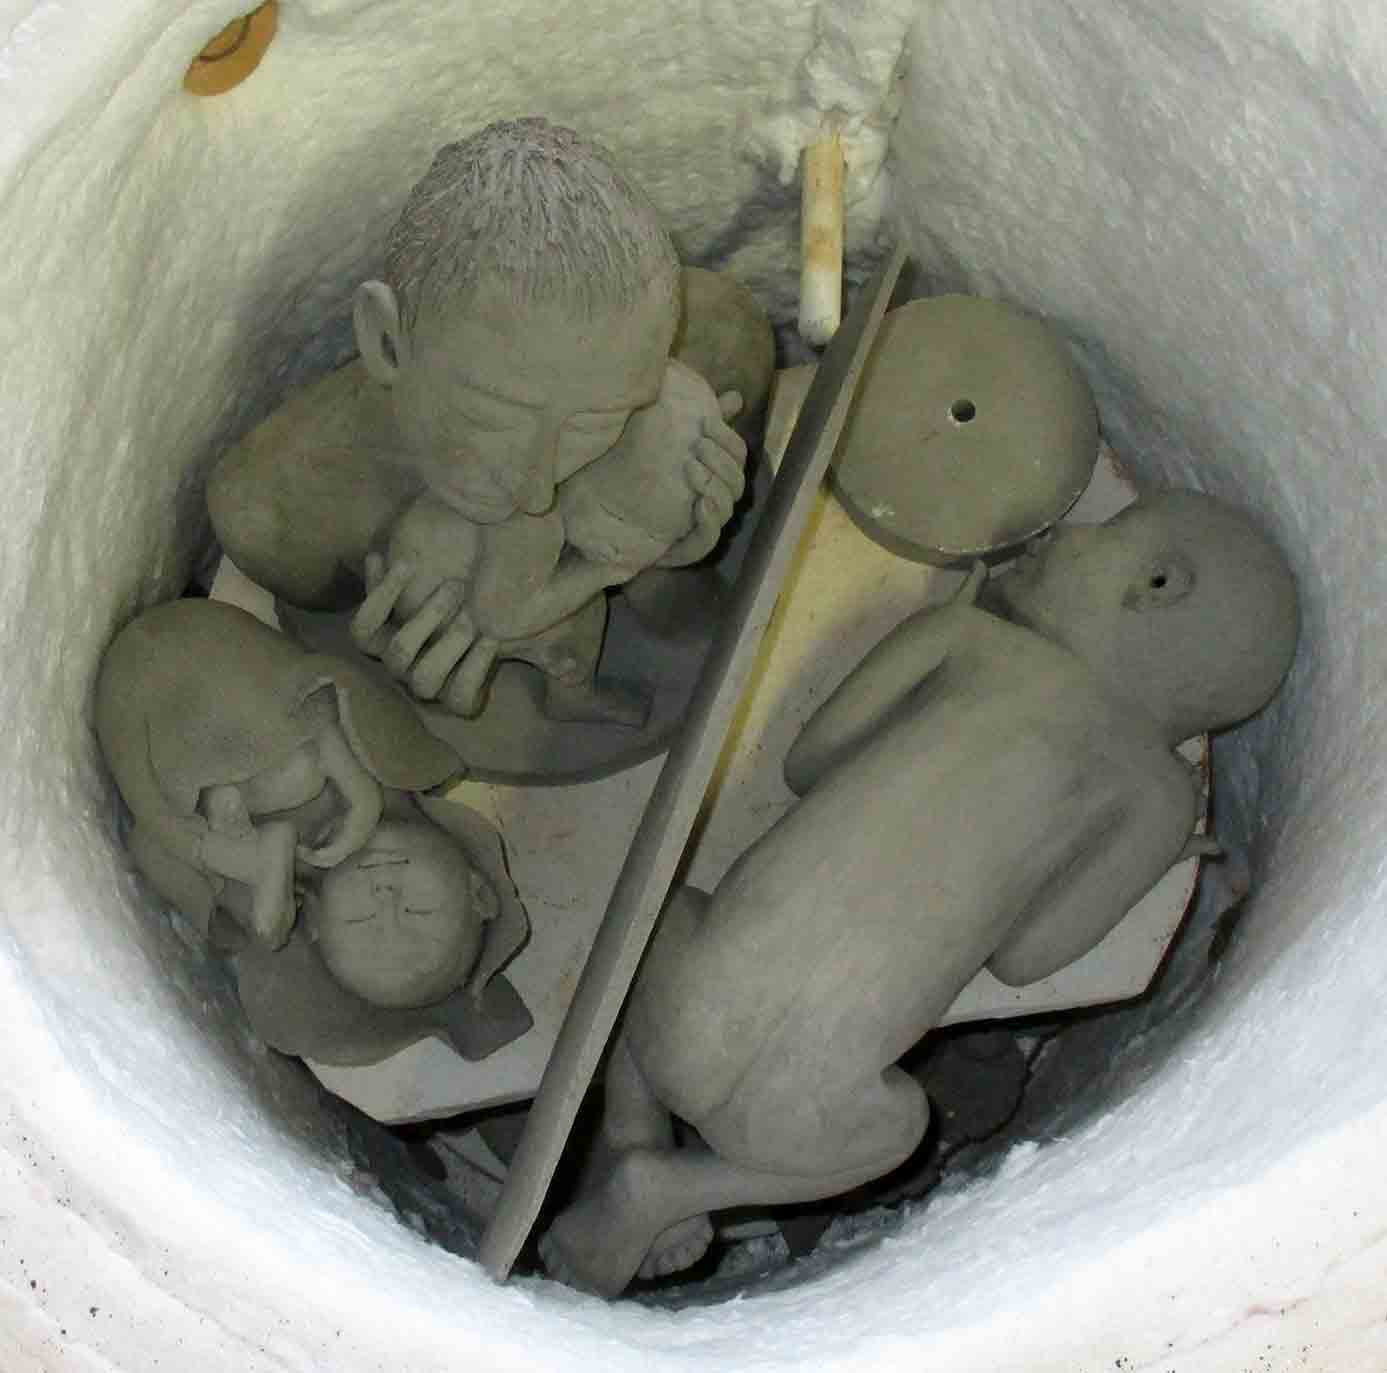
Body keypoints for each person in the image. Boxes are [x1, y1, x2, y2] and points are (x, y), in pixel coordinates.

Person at [539, 490, 1300, 1295]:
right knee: (897, 1128)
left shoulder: (967, 637)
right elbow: (1024, 956)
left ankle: (632, 1121)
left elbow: (808, 762)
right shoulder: (1156, 795)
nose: (1063, 534)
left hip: (685, 1010)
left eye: (1107, 530)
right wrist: (1146, 860)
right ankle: (675, 1184)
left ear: (1156, 585)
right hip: (789, 1112)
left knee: (663, 907)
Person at [209, 118, 746, 726]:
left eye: (597, 424)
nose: (537, 493)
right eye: (493, 418)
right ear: (385, 340)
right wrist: (393, 685)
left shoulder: (711, 348)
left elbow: (694, 626)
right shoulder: (280, 511)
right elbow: (320, 653)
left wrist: (676, 550)